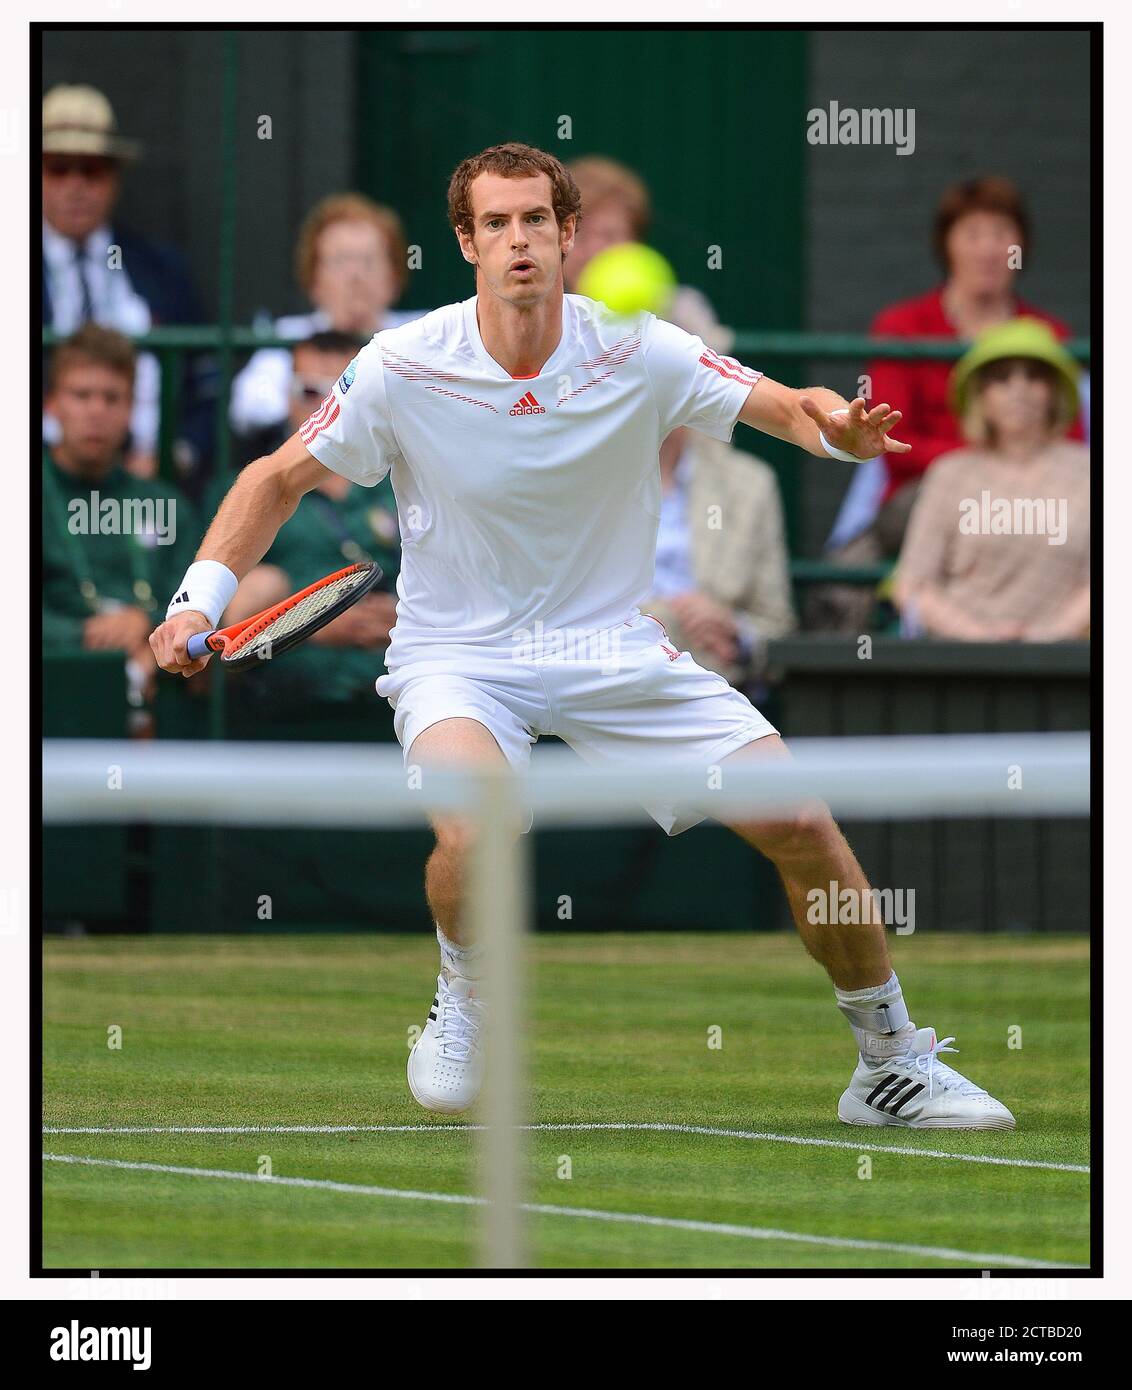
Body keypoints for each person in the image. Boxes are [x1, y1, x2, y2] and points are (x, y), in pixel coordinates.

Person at [151, 142, 1014, 1131]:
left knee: (803, 824)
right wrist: (193, 602)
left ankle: (890, 1060)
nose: (518, 241)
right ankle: (465, 994)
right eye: (496, 224)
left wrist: (839, 430)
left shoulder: (637, 348)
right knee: (479, 828)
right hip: (457, 658)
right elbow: (274, 479)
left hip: (610, 645)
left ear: (567, 237)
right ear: (467, 242)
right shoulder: (400, 365)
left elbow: (786, 405)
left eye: (536, 221)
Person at [41, 84, 213, 483]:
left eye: (92, 169)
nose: (76, 186)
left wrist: (175, 458)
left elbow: (207, 388)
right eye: (58, 168)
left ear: (115, 178)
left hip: (153, 483)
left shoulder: (163, 270)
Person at [226, 330, 401, 702]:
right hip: (283, 696)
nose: (326, 407)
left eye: (340, 391)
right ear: (287, 399)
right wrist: (310, 627)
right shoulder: (246, 487)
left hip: (397, 682)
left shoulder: (407, 482)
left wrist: (406, 619)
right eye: (309, 392)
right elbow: (226, 618)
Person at [894, 318, 1088, 641]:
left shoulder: (1090, 472)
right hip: (963, 668)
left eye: (1035, 376)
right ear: (980, 395)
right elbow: (912, 586)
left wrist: (1047, 638)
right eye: (1002, 378)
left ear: (1054, 391)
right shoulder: (949, 474)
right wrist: (981, 638)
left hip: (1066, 671)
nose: (1019, 390)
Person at [43, 325, 197, 725]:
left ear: (130, 409)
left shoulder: (166, 503)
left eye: (112, 398)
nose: (96, 411)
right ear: (51, 404)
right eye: (81, 396)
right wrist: (84, 634)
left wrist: (147, 625)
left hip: (158, 691)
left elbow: (196, 596)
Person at [229, 194, 424, 446]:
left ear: (394, 277)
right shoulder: (290, 335)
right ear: (313, 278)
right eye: (340, 261)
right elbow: (247, 406)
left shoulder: (421, 332)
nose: (356, 275)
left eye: (370, 260)